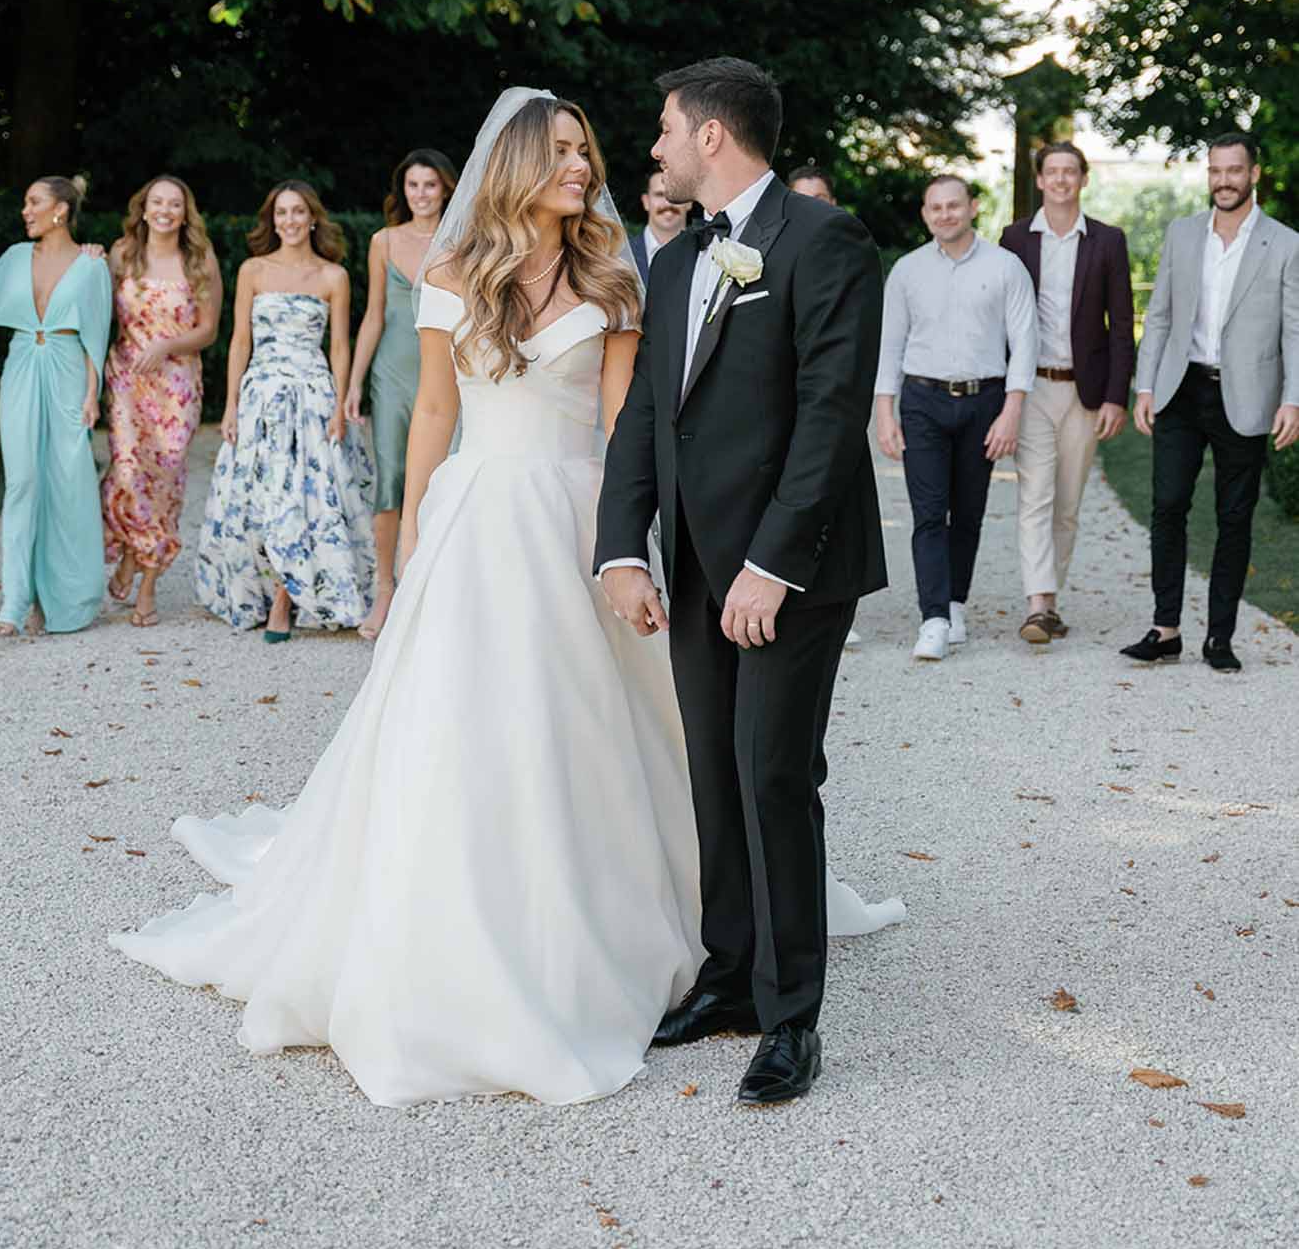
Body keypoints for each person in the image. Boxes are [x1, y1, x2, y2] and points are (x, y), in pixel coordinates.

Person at [110, 89, 900, 1109]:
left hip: (575, 518)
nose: (590, 163)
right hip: (474, 517)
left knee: (625, 732)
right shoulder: (453, 272)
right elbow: (435, 405)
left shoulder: (624, 273)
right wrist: (404, 548)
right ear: (521, 160)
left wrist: (632, 546)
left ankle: (746, 980)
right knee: (459, 731)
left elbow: (637, 425)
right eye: (566, 148)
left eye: (595, 147)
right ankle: (513, 935)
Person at [597, 57, 892, 1108]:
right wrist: (621, 545)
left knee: (770, 771)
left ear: (712, 135)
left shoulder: (827, 241)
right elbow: (645, 417)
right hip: (689, 561)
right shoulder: (677, 259)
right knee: (713, 774)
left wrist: (770, 563)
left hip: (791, 566)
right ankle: (726, 976)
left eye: (666, 129)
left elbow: (828, 412)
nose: (656, 148)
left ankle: (790, 1015)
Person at [1123, 132, 1299, 672]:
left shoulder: (1285, 243)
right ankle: (1166, 628)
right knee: (1168, 506)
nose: (1224, 180)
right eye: (1215, 171)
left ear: (1254, 175)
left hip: (1246, 394)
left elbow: (1294, 329)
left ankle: (1219, 638)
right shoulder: (1182, 233)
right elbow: (1160, 315)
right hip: (1182, 386)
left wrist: (1292, 400)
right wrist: (1145, 385)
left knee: (1234, 516)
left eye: (1234, 170)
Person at [195, 181, 374, 639]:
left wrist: (337, 404)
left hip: (312, 396)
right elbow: (239, 341)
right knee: (260, 495)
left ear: (312, 218)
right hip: (261, 395)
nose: (290, 221)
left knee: (306, 496)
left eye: (298, 212)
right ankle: (267, 587)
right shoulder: (253, 270)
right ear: (272, 220)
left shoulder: (333, 276)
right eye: (281, 213)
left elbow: (338, 345)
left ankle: (285, 598)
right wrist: (231, 404)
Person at [874, 174, 1037, 662]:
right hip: (922, 400)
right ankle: (934, 619)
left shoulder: (1006, 268)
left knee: (968, 512)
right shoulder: (906, 271)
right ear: (925, 214)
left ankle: (955, 602)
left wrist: (1012, 410)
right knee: (928, 513)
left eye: (953, 206)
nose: (945, 214)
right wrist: (885, 411)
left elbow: (1025, 343)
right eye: (935, 207)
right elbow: (890, 344)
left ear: (971, 208)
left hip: (984, 401)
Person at [0, 176, 112, 636]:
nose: (25, 210)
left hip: (67, 371)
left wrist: (91, 395)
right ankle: (14, 601)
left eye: (34, 202)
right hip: (22, 367)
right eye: (26, 202)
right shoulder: (13, 258)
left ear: (60, 210)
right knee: (22, 482)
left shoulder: (92, 266)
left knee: (69, 482)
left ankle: (69, 599)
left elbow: (96, 337)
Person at [1000, 142, 1134, 643]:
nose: (1060, 180)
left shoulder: (1107, 241)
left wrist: (1116, 396)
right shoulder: (1014, 239)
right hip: (1030, 384)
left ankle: (1049, 598)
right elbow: (1000, 316)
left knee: (1068, 502)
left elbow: (1121, 325)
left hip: (1085, 390)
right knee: (1034, 494)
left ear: (1083, 179)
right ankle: (1040, 603)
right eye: (1052, 172)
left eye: (1069, 172)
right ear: (1039, 180)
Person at [100, 176, 222, 628]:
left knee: (166, 476)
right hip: (129, 380)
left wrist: (167, 345)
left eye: (175, 203)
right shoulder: (121, 254)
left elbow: (208, 330)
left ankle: (146, 582)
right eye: (158, 202)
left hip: (176, 384)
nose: (166, 210)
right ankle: (133, 550)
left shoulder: (200, 260)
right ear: (144, 208)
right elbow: (97, 309)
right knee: (129, 472)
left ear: (185, 212)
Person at [346, 148, 457, 640]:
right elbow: (373, 315)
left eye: (430, 185)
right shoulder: (383, 241)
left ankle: (437, 588)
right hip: (391, 371)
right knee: (390, 477)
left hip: (447, 372)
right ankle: (385, 588)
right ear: (402, 191)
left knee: (445, 477)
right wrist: (353, 382)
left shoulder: (463, 241)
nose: (421, 194)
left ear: (446, 188)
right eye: (413, 185)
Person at [632, 166, 688, 287]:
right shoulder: (623, 254)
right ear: (646, 202)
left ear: (689, 202)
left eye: (675, 194)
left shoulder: (705, 252)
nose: (667, 203)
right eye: (659, 195)